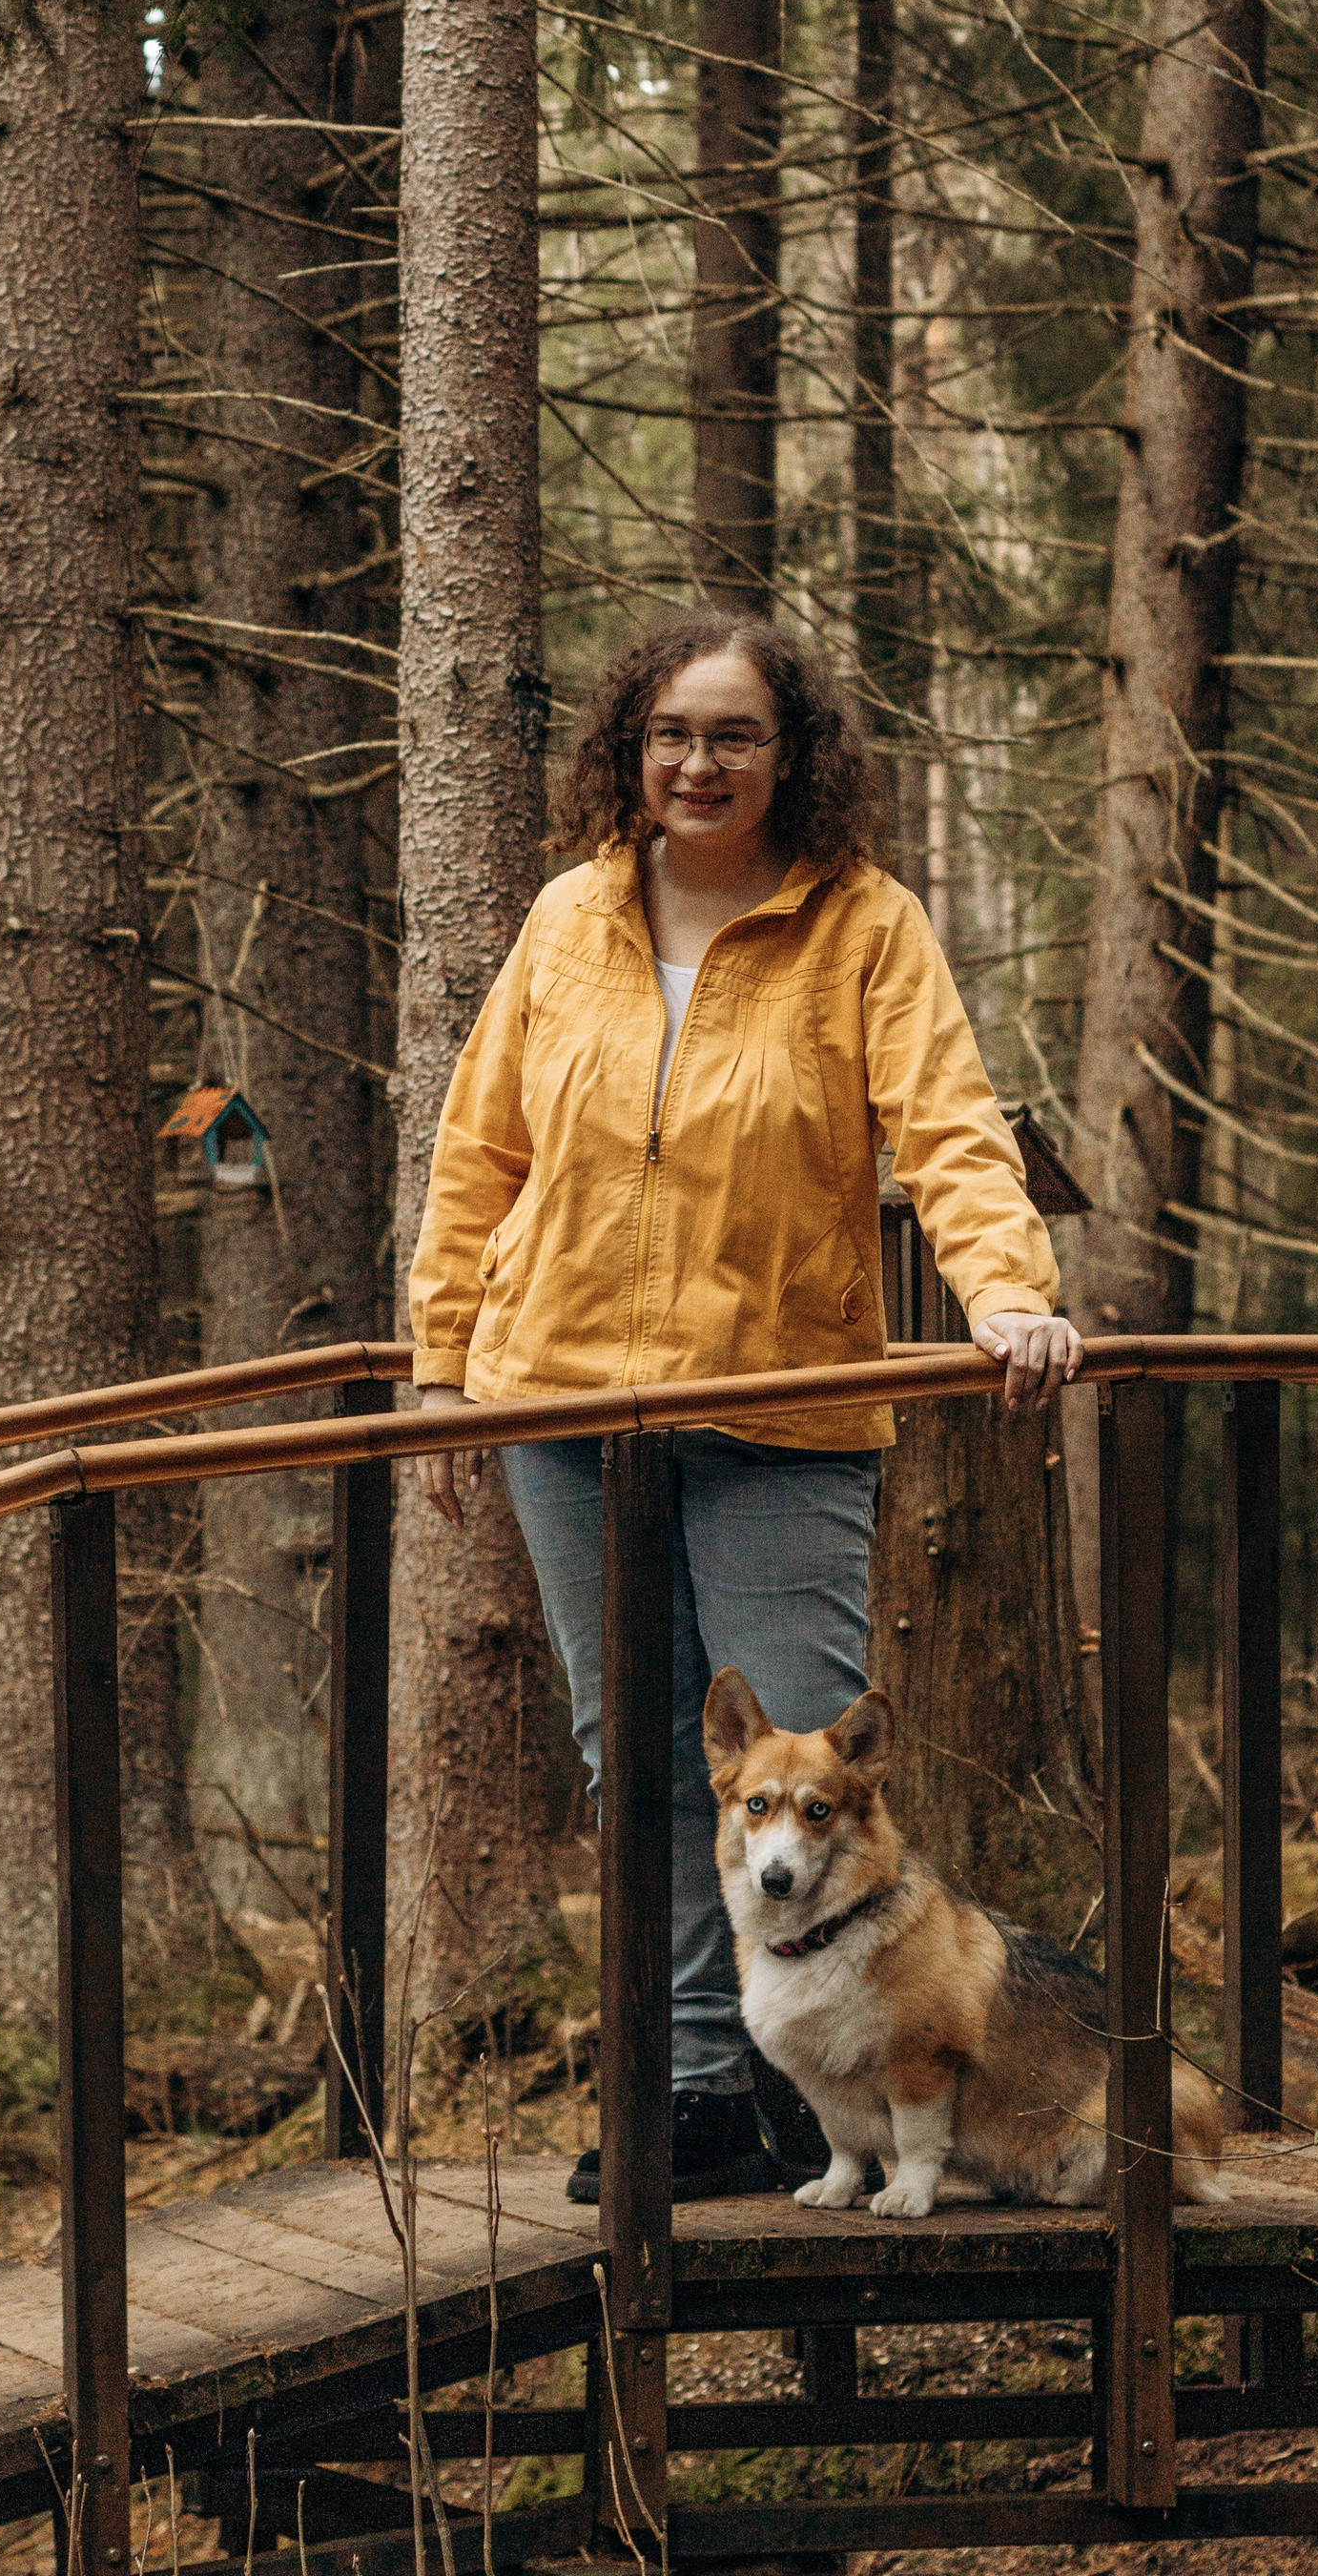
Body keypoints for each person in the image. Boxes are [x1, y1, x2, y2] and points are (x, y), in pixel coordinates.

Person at [407, 611, 1081, 2201]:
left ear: (794, 757)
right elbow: (480, 1149)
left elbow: (951, 1127)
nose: (698, 765)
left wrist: (1006, 1292)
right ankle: (700, 2085)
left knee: (806, 1766)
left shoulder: (864, 924)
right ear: (630, 752)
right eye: (672, 736)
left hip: (783, 1404)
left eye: (733, 737)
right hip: (563, 1402)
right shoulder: (569, 919)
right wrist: (441, 1362)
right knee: (640, 1762)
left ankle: (829, 2091)